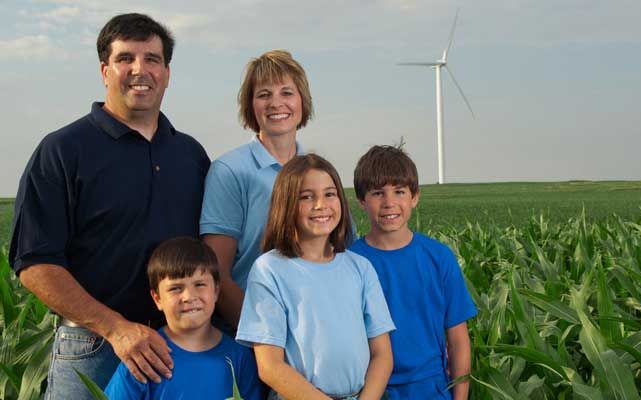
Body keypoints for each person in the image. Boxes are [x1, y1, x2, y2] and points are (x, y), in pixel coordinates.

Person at [8, 13, 210, 399]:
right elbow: (34, 263)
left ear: (166, 73)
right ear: (105, 70)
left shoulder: (190, 154)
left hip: (178, 344)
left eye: (152, 59)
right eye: (125, 59)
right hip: (93, 346)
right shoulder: (63, 151)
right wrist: (115, 328)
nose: (140, 69)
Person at [236, 154, 395, 400]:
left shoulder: (360, 267)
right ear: (286, 204)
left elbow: (382, 355)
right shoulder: (269, 270)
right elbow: (270, 367)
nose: (320, 205)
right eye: (306, 197)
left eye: (329, 194)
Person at [349, 145, 478, 400]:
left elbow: (458, 339)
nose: (389, 203)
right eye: (377, 193)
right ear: (361, 201)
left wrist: (460, 396)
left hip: (431, 387)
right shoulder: (350, 262)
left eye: (399, 191)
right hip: (370, 388)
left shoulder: (438, 257)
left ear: (415, 197)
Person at [200, 50, 312, 330]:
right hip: (252, 333)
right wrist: (263, 338)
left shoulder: (318, 172)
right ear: (251, 106)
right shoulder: (229, 171)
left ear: (302, 101)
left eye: (287, 92)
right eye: (264, 94)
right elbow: (218, 274)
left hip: (312, 332)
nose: (276, 103)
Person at [105, 237, 266, 399]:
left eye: (200, 285)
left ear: (216, 291)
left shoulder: (239, 356)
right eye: (175, 288)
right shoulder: (144, 357)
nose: (189, 296)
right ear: (157, 299)